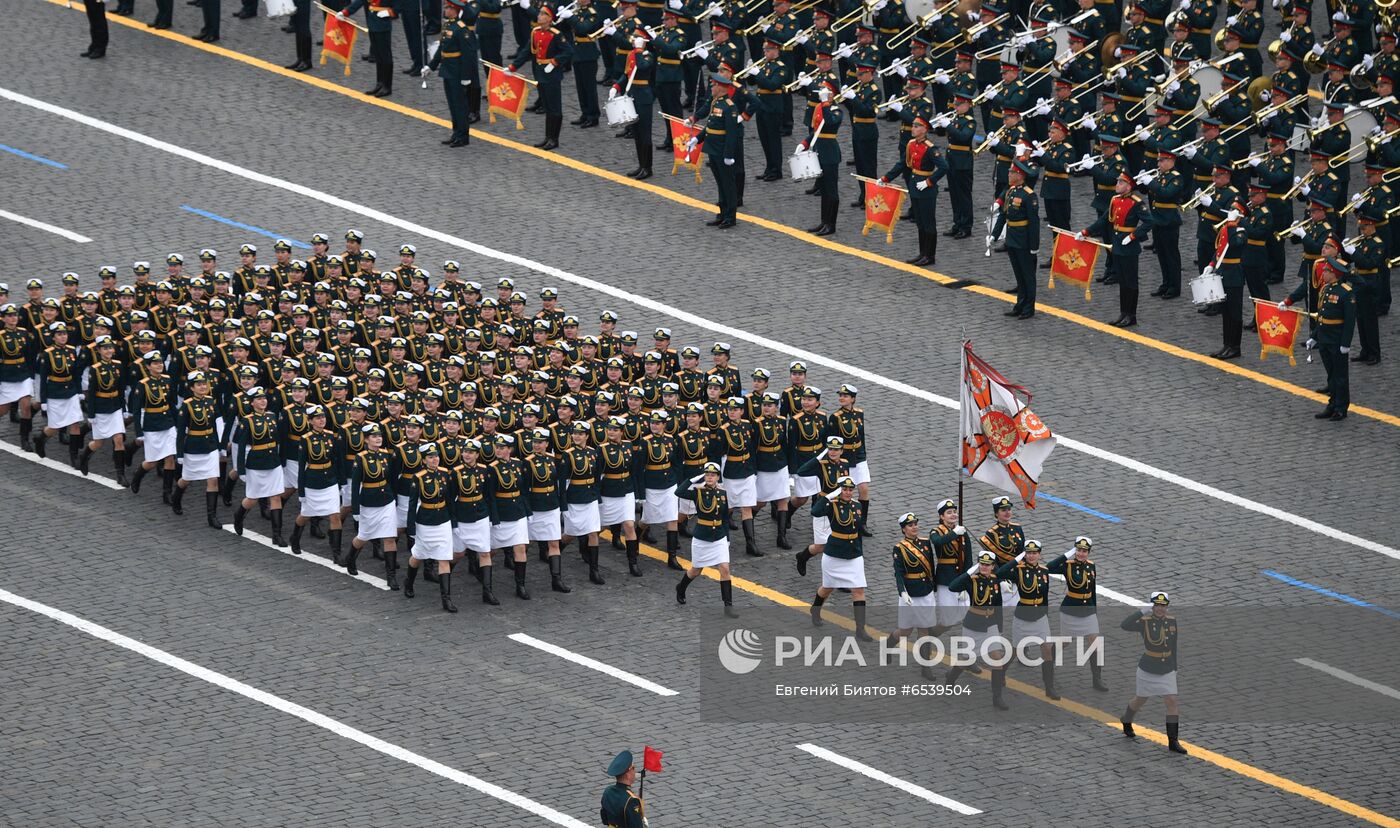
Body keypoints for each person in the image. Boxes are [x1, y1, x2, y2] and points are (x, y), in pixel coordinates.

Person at [1283, 252, 1355, 419]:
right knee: (1331, 374)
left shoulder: (1346, 293)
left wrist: (1345, 343)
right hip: (1324, 338)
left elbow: (1350, 321)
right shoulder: (1325, 289)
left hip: (1337, 340)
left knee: (1340, 376)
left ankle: (1341, 408)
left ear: (1334, 273)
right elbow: (1321, 316)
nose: (1323, 273)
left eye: (1326, 271)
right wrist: (1314, 336)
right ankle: (1332, 404)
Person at [1081, 170, 1155, 327]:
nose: (1117, 185)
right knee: (1122, 281)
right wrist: (1086, 231)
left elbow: (1149, 222)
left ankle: (1131, 315)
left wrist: (1134, 236)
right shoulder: (1115, 200)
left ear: (1128, 186)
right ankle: (1123, 313)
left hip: (1129, 246)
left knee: (1131, 281)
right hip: (1117, 245)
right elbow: (1104, 220)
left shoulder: (1136, 203)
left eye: (1121, 183)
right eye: (1117, 182)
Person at [1120, 591, 1187, 754]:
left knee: (1171, 701)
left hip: (1167, 668)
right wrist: (1141, 611)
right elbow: (1125, 625)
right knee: (1140, 699)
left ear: (1167, 607)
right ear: (1152, 606)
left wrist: (1175, 667)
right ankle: (1127, 719)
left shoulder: (1172, 621)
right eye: (1157, 605)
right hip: (1148, 667)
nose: (1160, 609)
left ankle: (1173, 741)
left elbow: (1174, 646)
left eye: (1163, 606)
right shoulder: (1145, 621)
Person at [808, 477, 872, 641]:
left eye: (850, 489)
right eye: (844, 489)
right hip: (834, 554)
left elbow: (858, 531)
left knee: (858, 590)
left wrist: (860, 553)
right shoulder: (832, 505)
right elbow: (815, 511)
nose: (848, 492)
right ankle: (815, 609)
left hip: (854, 554)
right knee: (828, 587)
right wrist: (829, 496)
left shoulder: (857, 506)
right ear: (839, 490)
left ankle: (860, 628)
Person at [994, 540, 1058, 699]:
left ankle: (1049, 687)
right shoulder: (1018, 570)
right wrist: (1016, 559)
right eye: (1028, 553)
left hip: (1040, 617)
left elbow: (1044, 597)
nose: (1031, 556)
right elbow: (999, 573)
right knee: (1016, 650)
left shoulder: (1044, 571)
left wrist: (1046, 615)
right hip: (1023, 616)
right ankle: (1001, 672)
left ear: (1039, 554)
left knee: (1047, 649)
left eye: (1034, 553)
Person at [881, 115, 947, 267]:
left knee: (928, 223)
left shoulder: (931, 149)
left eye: (917, 126)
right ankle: (922, 253)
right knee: (920, 223)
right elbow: (902, 164)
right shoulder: (911, 144)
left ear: (924, 129)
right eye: (913, 125)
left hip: (926, 189)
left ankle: (930, 255)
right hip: (915, 186)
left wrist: (929, 181)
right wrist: (886, 178)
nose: (913, 128)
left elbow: (944, 167)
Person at [401, 443, 461, 612]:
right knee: (418, 555)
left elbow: (449, 500)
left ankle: (446, 599)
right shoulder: (418, 477)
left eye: (436, 456)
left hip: (442, 520)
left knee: (443, 558)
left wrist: (453, 521)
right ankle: (409, 581)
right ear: (424, 459)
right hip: (425, 521)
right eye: (430, 457)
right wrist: (410, 528)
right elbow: (412, 505)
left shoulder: (444, 474)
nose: (434, 460)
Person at [674, 462, 739, 616]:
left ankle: (728, 607)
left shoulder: (722, 494)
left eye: (713, 475)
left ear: (717, 477)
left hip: (719, 537)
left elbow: (724, 518)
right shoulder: (698, 492)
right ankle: (681, 588)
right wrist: (692, 480)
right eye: (707, 474)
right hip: (702, 537)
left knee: (724, 569)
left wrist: (727, 539)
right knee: (696, 570)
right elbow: (679, 492)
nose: (710, 477)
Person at [947, 551, 1009, 710]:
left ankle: (997, 697)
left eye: (987, 565)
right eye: (982, 563)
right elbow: (953, 587)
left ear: (993, 566)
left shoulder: (996, 581)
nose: (984, 567)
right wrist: (970, 571)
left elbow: (998, 605)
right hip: (973, 624)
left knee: (997, 658)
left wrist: (999, 627)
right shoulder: (971, 580)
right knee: (967, 658)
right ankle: (951, 679)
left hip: (990, 624)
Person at [508, 3, 574, 150]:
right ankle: (547, 137)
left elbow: (568, 51)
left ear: (549, 19)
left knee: (554, 108)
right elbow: (527, 51)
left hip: (552, 75)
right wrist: (513, 67)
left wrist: (555, 62)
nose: (539, 16)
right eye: (539, 14)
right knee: (547, 107)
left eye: (543, 14)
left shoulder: (556, 35)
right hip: (540, 73)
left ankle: (554, 139)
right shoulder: (535, 32)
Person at [1048, 535, 1108, 691]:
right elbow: (1049, 568)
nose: (1081, 554)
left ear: (1089, 552)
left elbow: (1092, 590)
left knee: (1095, 643)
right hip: (1070, 609)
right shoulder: (1067, 565)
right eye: (1079, 550)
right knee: (1066, 641)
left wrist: (1094, 610)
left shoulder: (1091, 566)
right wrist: (1067, 554)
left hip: (1088, 609)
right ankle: (1048, 664)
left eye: (1084, 551)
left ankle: (1097, 678)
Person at [229, 386, 287, 545]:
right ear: (252, 403)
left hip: (273, 462)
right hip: (256, 463)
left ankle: (277, 535)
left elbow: (279, 440)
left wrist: (282, 460)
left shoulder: (272, 416)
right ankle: (239, 516)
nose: (263, 401)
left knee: (275, 497)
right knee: (252, 498)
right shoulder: (247, 421)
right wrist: (241, 469)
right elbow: (241, 447)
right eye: (259, 399)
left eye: (264, 398)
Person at [290, 405, 347, 560]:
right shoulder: (305, 439)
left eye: (323, 417)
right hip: (313, 482)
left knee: (335, 515)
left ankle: (336, 552)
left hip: (330, 480)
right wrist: (301, 491)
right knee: (306, 514)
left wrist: (341, 482)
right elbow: (301, 467)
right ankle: (295, 537)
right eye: (317, 418)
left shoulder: (331, 436)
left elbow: (337, 461)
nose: (321, 420)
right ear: (310, 421)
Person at [346, 423, 401, 583]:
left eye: (379, 436)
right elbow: (355, 485)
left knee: (390, 538)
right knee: (363, 536)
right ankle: (351, 558)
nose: (378, 439)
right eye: (374, 436)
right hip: (369, 502)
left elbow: (391, 479)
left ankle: (391, 576)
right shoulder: (360, 457)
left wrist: (394, 498)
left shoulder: (385, 455)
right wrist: (355, 510)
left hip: (386, 500)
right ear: (366, 439)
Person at [172, 370, 224, 527]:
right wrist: (179, 453)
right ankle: (176, 498)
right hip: (194, 446)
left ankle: (211, 516)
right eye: (198, 384)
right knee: (186, 479)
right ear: (192, 388)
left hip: (210, 446)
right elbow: (181, 432)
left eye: (204, 384)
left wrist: (220, 445)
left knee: (213, 479)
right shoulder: (187, 406)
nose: (202, 387)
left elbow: (215, 425)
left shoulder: (210, 401)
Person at [425, 0, 479, 147]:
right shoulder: (448, 25)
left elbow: (468, 55)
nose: (445, 9)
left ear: (455, 10)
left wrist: (466, 77)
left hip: (457, 72)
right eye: (445, 7)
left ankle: (463, 136)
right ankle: (456, 133)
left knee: (460, 105)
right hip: (447, 70)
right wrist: (431, 66)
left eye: (448, 7)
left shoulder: (461, 29)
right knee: (453, 105)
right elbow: (441, 50)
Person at [129, 351, 180, 505]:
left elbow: (171, 404)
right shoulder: (142, 384)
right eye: (155, 363)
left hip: (168, 423)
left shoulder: (168, 380)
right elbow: (136, 411)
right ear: (148, 366)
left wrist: (178, 424)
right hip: (152, 425)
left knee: (170, 458)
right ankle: (138, 477)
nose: (159, 365)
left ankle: (167, 493)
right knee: (151, 462)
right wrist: (139, 432)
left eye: (160, 362)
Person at [891, 512, 937, 679]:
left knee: (924, 628)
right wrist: (902, 592)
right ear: (904, 529)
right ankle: (889, 644)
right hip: (910, 593)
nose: (914, 527)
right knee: (906, 631)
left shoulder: (925, 543)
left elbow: (931, 566)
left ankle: (926, 666)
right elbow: (899, 573)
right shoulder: (899, 548)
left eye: (915, 524)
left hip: (925, 591)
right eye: (910, 525)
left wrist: (934, 587)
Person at [31, 323, 85, 468]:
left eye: (65, 334)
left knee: (75, 423)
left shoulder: (72, 351)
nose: (63, 336)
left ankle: (74, 457)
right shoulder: (47, 354)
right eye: (59, 334)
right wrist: (43, 401)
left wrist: (79, 392)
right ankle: (41, 438)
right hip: (54, 392)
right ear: (53, 337)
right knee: (55, 426)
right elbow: (43, 379)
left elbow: (76, 374)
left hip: (71, 391)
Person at [991, 160, 1040, 318]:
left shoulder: (1029, 195)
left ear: (1020, 175)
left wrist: (1034, 246)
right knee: (1019, 275)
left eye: (1012, 172)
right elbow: (1003, 216)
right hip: (1012, 239)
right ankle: (1020, 305)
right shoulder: (1010, 192)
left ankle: (1028, 308)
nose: (1009, 174)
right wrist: (994, 235)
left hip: (1024, 241)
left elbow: (1034, 223)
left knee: (1028, 276)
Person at [77, 335, 129, 486]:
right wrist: (91, 414)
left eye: (110, 347)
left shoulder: (118, 366)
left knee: (118, 439)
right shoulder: (95, 369)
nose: (108, 350)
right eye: (104, 348)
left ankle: (120, 474)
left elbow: (120, 389)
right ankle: (84, 456)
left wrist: (124, 408)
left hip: (115, 407)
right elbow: (92, 393)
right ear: (99, 350)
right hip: (100, 407)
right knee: (98, 442)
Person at [612, 28, 658, 179]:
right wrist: (616, 86)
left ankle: (648, 167)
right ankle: (641, 165)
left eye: (638, 38)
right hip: (631, 95)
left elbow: (643, 67)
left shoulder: (647, 55)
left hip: (643, 96)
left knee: (645, 133)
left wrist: (639, 50)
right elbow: (627, 75)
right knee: (636, 132)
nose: (634, 40)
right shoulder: (632, 54)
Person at [801, 80, 844, 236]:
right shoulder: (820, 107)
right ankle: (823, 222)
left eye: (825, 90)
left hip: (830, 153)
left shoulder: (836, 110)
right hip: (819, 151)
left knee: (831, 190)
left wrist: (826, 103)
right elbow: (816, 130)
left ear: (832, 94)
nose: (821, 92)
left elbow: (831, 122)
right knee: (824, 189)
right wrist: (805, 143)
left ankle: (831, 224)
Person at [699, 73, 742, 228]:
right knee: (720, 183)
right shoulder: (716, 103)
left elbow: (732, 133)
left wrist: (729, 155)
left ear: (721, 88)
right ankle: (722, 213)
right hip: (713, 149)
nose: (711, 87)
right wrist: (697, 139)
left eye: (714, 85)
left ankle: (731, 216)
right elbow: (710, 126)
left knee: (728, 185)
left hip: (722, 151)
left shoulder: (729, 107)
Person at [339, 0, 399, 98]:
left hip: (383, 22)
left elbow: (401, 3)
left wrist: (391, 12)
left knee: (385, 55)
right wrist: (345, 12)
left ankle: (387, 86)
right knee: (378, 55)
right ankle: (380, 83)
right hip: (373, 21)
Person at [0, 303, 38, 452]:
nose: (13, 318)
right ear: (3, 319)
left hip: (23, 374)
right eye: (9, 316)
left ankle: (24, 439)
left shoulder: (24, 333)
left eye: (14, 315)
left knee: (26, 407)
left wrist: (32, 375)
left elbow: (30, 355)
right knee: (3, 410)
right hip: (7, 376)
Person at [600, 751, 645, 828]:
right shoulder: (631, 801)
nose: (635, 771)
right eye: (633, 768)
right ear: (627, 775)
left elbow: (604, 819)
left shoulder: (608, 791)